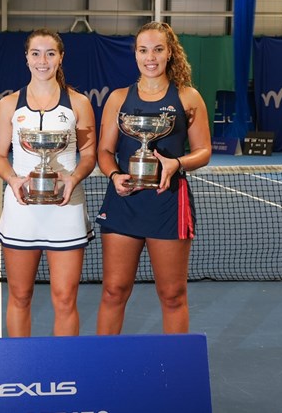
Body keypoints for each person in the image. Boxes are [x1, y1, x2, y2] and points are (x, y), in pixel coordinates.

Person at [95, 21, 212, 335]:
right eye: (143, 50)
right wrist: (115, 174)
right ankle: (104, 365)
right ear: (135, 54)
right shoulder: (119, 98)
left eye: (158, 49)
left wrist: (177, 162)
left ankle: (175, 370)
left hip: (168, 203)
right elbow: (104, 151)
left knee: (172, 294)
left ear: (170, 52)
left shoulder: (188, 97)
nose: (151, 57)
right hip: (123, 203)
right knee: (113, 291)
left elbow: (203, 151)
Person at [0, 29, 97, 337]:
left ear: (61, 57)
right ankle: (19, 364)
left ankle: (63, 366)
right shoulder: (8, 105)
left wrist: (73, 178)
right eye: (36, 53)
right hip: (21, 210)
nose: (43, 60)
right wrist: (12, 180)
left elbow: (89, 155)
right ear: (26, 57)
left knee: (65, 299)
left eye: (50, 53)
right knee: (20, 296)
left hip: (66, 209)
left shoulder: (78, 103)